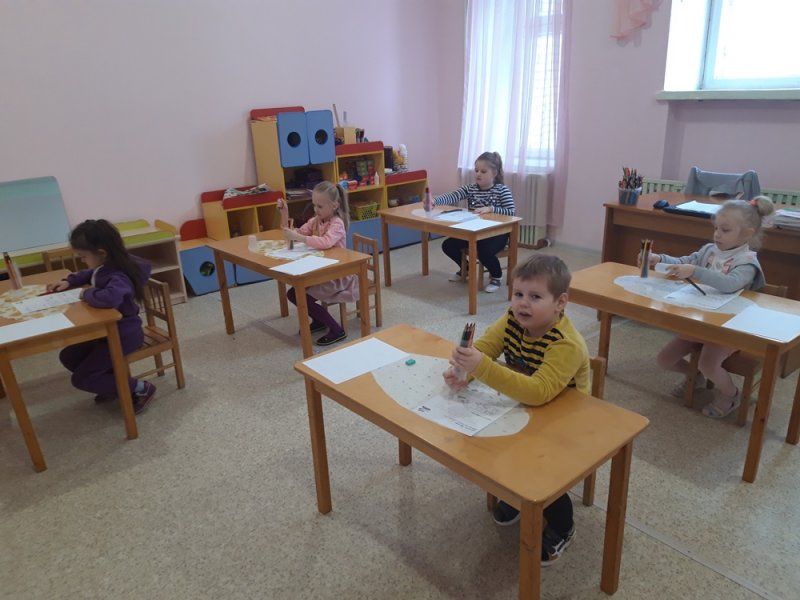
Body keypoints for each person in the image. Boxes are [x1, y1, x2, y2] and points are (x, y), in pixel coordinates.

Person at [443, 254, 590, 566]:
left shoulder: (567, 344)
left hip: (565, 420)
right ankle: (515, 495)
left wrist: (481, 368)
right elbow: (485, 348)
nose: (523, 303)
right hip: (523, 404)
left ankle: (563, 526)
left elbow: (539, 392)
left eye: (535, 297)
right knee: (494, 449)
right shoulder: (512, 318)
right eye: (518, 293)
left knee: (541, 471)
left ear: (560, 303)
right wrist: (466, 371)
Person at [642, 196, 775, 418]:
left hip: (727, 328)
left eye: (725, 230)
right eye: (716, 228)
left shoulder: (747, 262)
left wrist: (696, 271)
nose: (717, 234)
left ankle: (731, 394)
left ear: (747, 234)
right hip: (700, 321)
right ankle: (696, 378)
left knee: (708, 363)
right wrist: (659, 258)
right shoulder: (709, 251)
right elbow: (684, 261)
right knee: (664, 360)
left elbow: (729, 284)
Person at [47, 219, 155, 413]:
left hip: (124, 335)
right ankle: (112, 384)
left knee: (82, 379)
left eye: (83, 256)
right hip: (105, 332)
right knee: (68, 356)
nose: (82, 260)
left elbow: (110, 298)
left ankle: (140, 388)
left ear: (102, 253)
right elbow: (92, 273)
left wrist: (85, 293)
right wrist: (69, 281)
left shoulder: (118, 275)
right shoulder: (107, 265)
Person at [278, 181, 358, 346]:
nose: (316, 209)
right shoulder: (317, 220)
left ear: (334, 206)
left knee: (302, 297)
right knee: (293, 294)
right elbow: (295, 233)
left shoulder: (337, 223)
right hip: (321, 271)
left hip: (337, 275)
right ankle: (319, 321)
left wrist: (300, 238)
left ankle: (337, 330)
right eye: (314, 205)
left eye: (320, 206)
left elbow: (326, 242)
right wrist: (285, 214)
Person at [434, 151, 516, 293]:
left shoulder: (502, 190)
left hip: (496, 234)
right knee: (448, 245)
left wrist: (491, 209)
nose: (478, 174)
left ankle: (496, 276)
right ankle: (466, 268)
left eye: (483, 171)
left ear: (494, 173)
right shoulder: (470, 188)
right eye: (476, 170)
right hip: (474, 231)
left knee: (484, 252)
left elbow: (511, 212)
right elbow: (453, 196)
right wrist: (435, 201)